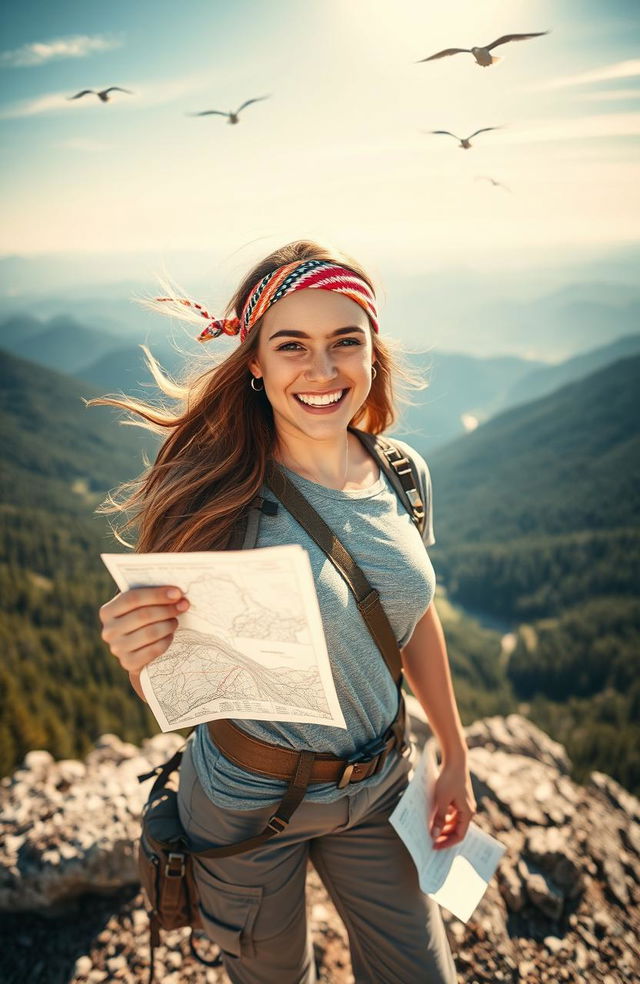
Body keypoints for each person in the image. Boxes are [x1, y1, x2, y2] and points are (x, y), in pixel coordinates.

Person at [96, 240, 476, 984]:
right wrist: (138, 654)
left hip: (379, 782)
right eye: (292, 345)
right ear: (256, 364)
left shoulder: (402, 473)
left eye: (345, 341)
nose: (324, 369)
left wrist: (456, 754)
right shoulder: (214, 494)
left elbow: (412, 615)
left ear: (373, 351)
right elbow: (175, 689)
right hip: (245, 799)